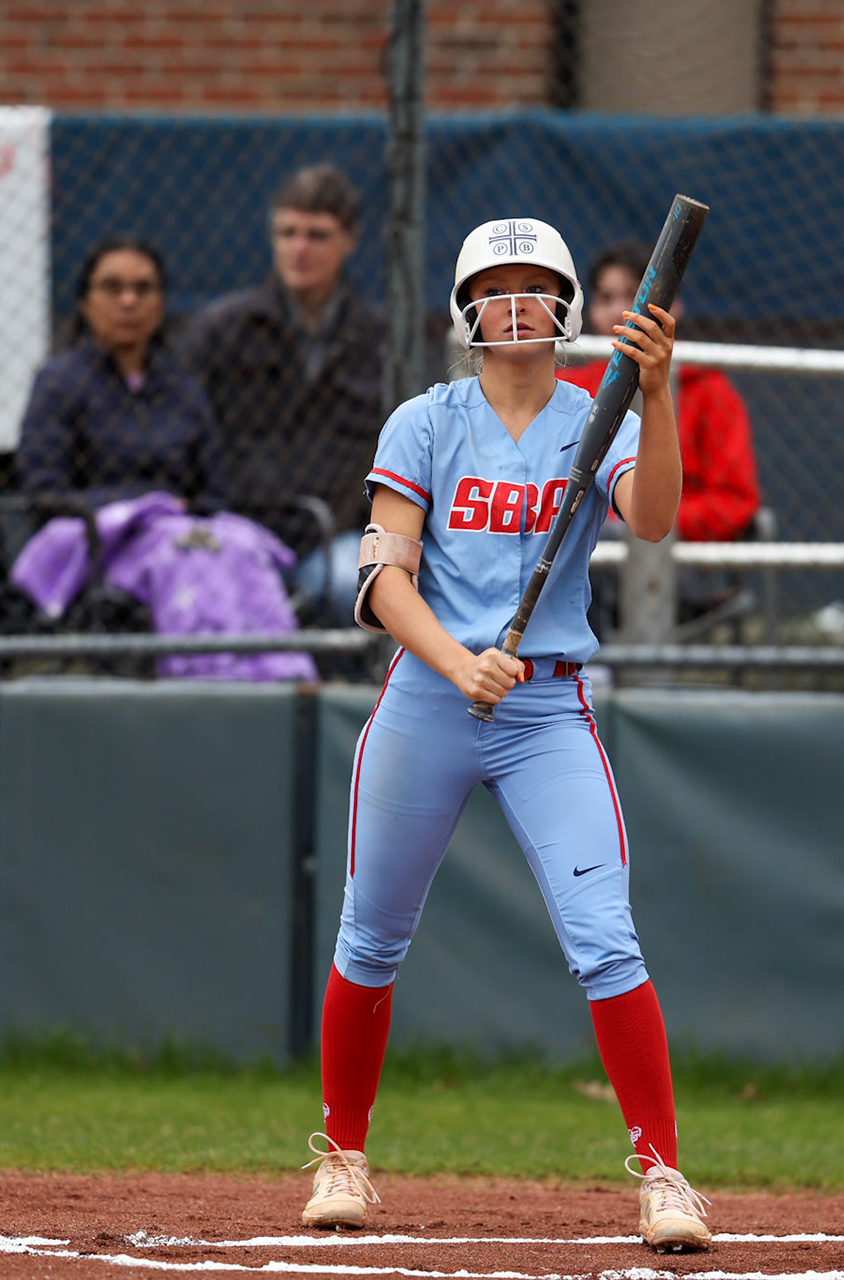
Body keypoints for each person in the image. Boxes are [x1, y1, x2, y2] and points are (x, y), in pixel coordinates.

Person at [299, 218, 712, 1253]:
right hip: (431, 698)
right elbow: (382, 578)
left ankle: (664, 1171)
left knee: (604, 935)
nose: (517, 302)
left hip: (545, 707)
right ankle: (341, 1152)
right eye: (497, 285)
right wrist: (456, 659)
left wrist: (656, 394)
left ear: (568, 304)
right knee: (370, 932)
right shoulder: (424, 422)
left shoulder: (597, 414)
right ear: (464, 307)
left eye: (538, 285)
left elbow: (655, 517)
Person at [180, 164, 385, 623]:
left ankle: (349, 692)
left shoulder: (380, 340)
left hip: (335, 536)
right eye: (288, 232)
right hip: (234, 531)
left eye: (317, 235)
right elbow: (182, 438)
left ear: (349, 242)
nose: (300, 248)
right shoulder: (220, 333)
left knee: (358, 585)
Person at [559, 239, 759, 544]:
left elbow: (734, 503)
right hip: (588, 551)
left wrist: (645, 521)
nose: (618, 311)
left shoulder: (710, 390)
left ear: (672, 307)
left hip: (682, 557)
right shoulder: (570, 388)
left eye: (632, 296)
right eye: (606, 298)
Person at [17, 236, 227, 508]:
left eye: (143, 288)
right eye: (111, 287)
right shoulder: (58, 383)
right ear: (85, 303)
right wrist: (147, 504)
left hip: (179, 541)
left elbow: (218, 492)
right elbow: (44, 494)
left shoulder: (183, 386)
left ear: (161, 303)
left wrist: (182, 514)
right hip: (92, 543)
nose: (128, 301)